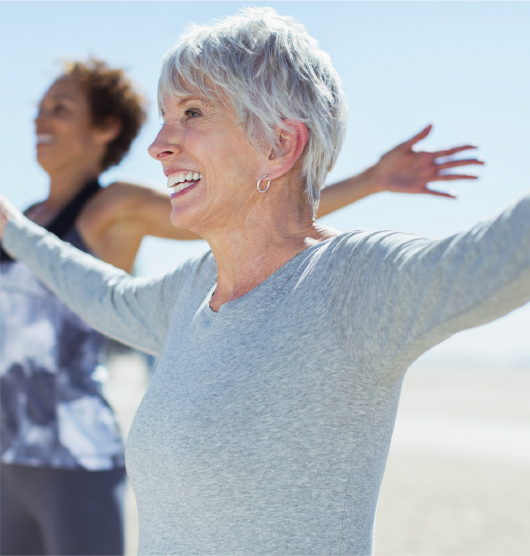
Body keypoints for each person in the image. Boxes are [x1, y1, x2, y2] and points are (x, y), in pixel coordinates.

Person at [0, 9, 518, 554]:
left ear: (279, 145)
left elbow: (503, 256)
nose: (158, 145)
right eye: (165, 116)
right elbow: (102, 294)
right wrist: (14, 228)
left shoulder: (355, 282)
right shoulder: (190, 292)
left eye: (192, 112)